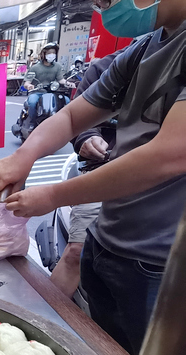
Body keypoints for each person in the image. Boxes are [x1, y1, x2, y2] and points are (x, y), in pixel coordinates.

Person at [0, 0, 186, 355]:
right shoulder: (144, 48)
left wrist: (54, 196)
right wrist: (23, 156)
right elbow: (72, 117)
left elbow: (168, 156)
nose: (106, 8)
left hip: (163, 267)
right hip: (109, 242)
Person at [49, 49, 123, 298]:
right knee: (76, 251)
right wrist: (88, 137)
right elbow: (73, 118)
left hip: (158, 187)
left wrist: (50, 196)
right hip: (101, 171)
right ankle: (43, 320)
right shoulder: (114, 66)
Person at [23, 42, 71, 125]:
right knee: (32, 102)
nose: (51, 55)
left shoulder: (57, 66)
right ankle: (32, 122)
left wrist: (68, 83)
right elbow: (27, 82)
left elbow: (61, 80)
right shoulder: (35, 67)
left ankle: (65, 124)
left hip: (52, 93)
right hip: (37, 93)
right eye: (49, 53)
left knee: (67, 101)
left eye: (53, 53)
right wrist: (29, 85)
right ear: (43, 54)